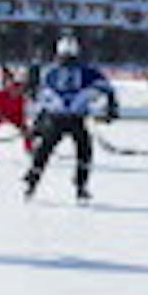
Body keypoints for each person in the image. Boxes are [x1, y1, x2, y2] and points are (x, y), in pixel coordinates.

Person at [22, 36, 117, 203]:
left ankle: (34, 180)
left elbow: (34, 95)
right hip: (69, 119)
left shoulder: (50, 71)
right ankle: (78, 185)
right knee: (80, 151)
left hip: (59, 119)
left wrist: (36, 123)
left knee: (47, 150)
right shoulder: (81, 71)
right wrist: (111, 108)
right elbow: (107, 89)